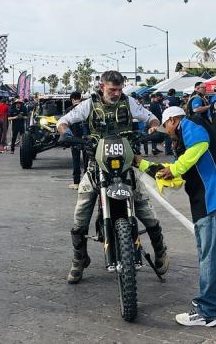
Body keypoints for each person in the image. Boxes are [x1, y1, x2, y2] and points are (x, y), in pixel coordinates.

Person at [56, 70, 168, 284]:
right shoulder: (89, 104)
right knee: (81, 214)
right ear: (102, 87)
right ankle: (79, 259)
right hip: (95, 165)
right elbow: (64, 121)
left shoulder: (130, 103)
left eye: (119, 89)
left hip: (125, 165)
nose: (116, 93)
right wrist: (65, 133)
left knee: (146, 210)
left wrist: (154, 127)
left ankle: (160, 250)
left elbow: (151, 118)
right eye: (112, 89)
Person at [136, 106, 216, 327]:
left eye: (168, 128)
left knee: (209, 256)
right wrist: (141, 163)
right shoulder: (186, 146)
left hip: (215, 198)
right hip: (207, 202)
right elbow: (173, 176)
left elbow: (195, 150)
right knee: (207, 253)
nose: (169, 134)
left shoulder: (191, 124)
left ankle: (206, 312)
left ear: (173, 120)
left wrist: (174, 169)